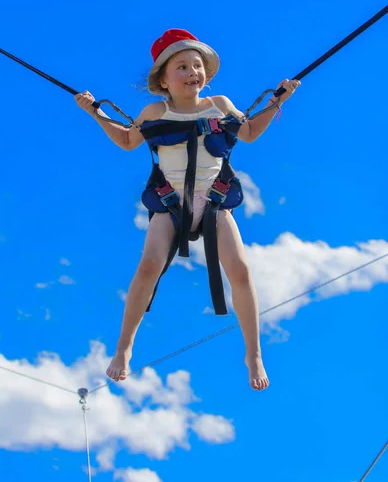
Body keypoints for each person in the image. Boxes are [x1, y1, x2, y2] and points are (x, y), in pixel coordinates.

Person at [75, 28, 300, 390]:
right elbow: (128, 140)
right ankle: (124, 347)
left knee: (240, 271)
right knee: (148, 267)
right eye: (181, 66)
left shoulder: (221, 105)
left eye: (197, 65)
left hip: (214, 203)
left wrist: (279, 100)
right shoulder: (154, 111)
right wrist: (95, 113)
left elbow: (249, 132)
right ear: (163, 79)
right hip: (171, 205)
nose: (192, 71)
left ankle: (253, 353)